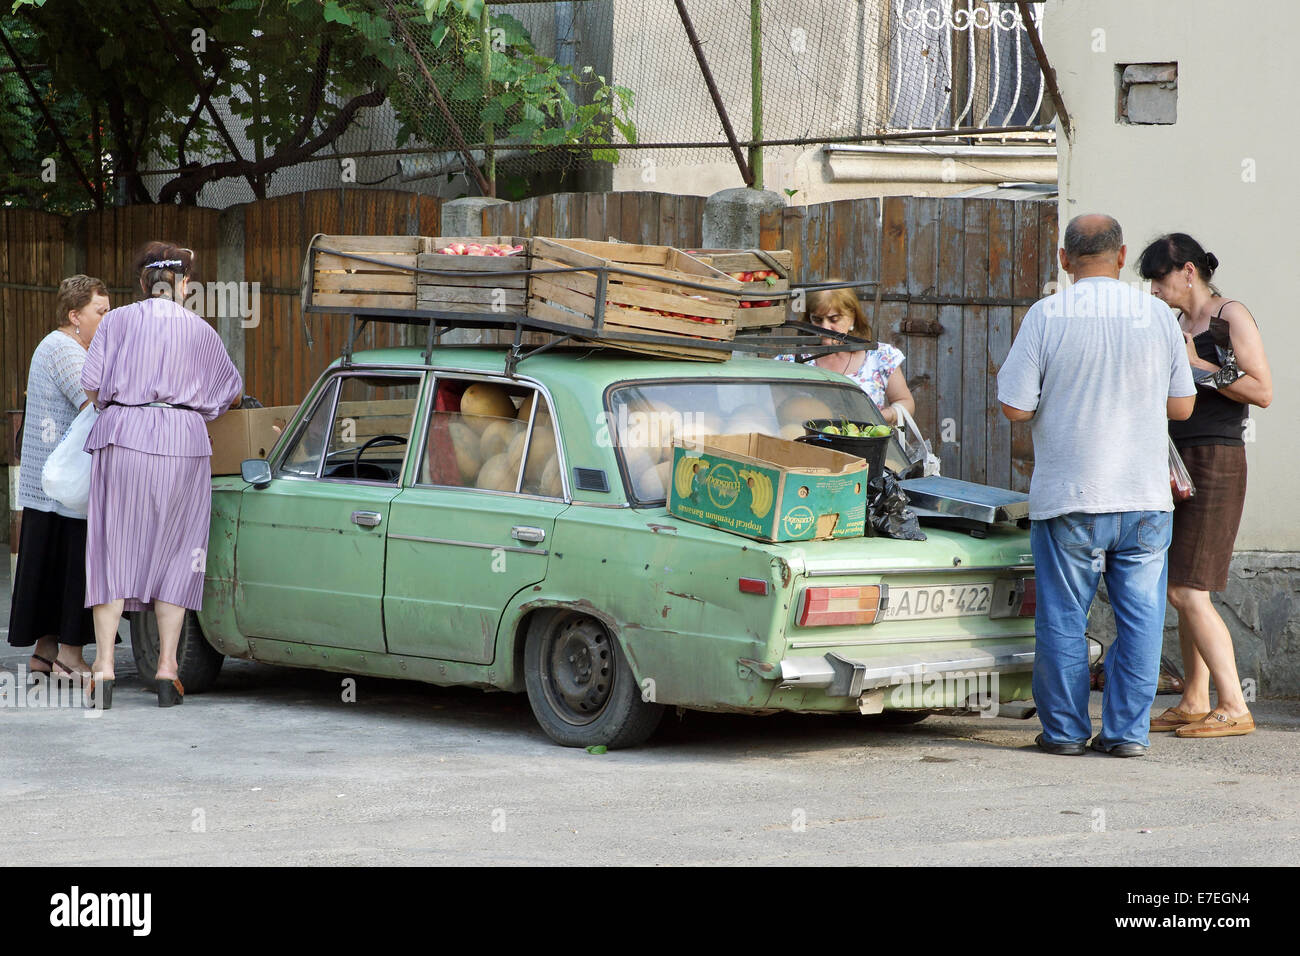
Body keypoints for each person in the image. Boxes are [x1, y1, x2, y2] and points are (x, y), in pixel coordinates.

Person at [997, 214, 1195, 758]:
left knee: (1063, 618)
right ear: (1123, 253)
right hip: (1145, 498)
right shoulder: (1157, 315)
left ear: (1064, 258)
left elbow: (1016, 407)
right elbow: (1182, 406)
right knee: (1142, 620)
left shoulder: (1047, 314)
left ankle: (1063, 732)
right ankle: (1127, 734)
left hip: (1071, 498)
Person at [80, 242, 243, 709]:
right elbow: (230, 392)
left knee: (113, 549)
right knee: (178, 552)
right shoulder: (201, 331)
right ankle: (168, 669)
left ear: (140, 283)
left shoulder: (115, 322)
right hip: (183, 442)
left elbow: (91, 385)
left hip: (123, 436)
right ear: (184, 284)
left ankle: (105, 668)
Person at [1137, 234, 1272, 738]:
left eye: (1159, 278)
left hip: (1217, 457)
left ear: (1188, 272)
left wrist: (1201, 369)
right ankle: (1195, 698)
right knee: (1181, 584)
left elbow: (1262, 389)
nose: (1153, 288)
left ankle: (1234, 704)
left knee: (1186, 588)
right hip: (1176, 458)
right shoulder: (1174, 323)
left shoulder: (1230, 315)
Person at [7, 276, 111, 682]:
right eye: (100, 312)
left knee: (50, 567)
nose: (107, 319)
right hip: (64, 487)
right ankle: (70, 653)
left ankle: (45, 652)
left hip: (49, 487)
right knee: (74, 568)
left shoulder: (60, 346)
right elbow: (95, 397)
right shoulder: (64, 349)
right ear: (75, 315)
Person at [777, 285, 916, 425]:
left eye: (834, 319)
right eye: (817, 319)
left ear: (852, 318)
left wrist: (880, 417)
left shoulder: (880, 356)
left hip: (865, 444)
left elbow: (904, 401)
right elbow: (771, 406)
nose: (824, 327)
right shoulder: (791, 360)